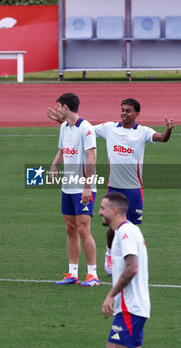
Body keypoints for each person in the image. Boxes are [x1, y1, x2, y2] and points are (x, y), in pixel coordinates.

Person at [47, 98, 175, 276]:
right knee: (112, 228)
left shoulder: (143, 132)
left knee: (132, 227)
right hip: (113, 188)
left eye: (128, 110)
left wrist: (168, 129)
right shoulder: (109, 128)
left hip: (134, 188)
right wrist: (62, 121)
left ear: (137, 113)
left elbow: (162, 138)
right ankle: (109, 254)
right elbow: (85, 130)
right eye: (122, 110)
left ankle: (129, 259)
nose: (124, 113)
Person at [47, 93, 99, 286]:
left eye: (58, 106)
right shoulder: (64, 127)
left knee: (84, 229)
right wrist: (54, 165)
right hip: (67, 188)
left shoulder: (86, 129)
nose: (57, 109)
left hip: (83, 189)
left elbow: (92, 158)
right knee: (70, 229)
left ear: (66, 107)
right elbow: (62, 149)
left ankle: (92, 274)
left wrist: (87, 186)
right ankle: (72, 273)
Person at [99, 192, 150, 348]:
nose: (100, 212)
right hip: (133, 308)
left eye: (103, 208)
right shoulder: (128, 230)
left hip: (130, 308)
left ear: (114, 210)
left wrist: (111, 295)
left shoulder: (125, 232)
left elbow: (132, 267)